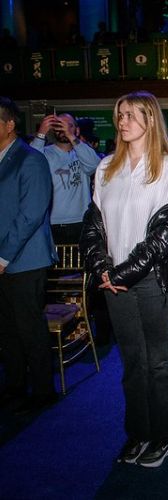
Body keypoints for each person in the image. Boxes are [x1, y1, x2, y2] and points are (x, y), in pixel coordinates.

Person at [79, 91, 168, 467]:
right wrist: (102, 268)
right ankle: (139, 432)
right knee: (131, 361)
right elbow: (93, 226)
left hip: (151, 278)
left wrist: (123, 272)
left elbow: (166, 234)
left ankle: (165, 433)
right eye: (120, 115)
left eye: (131, 114)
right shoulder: (106, 167)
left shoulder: (167, 168)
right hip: (113, 279)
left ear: (150, 119)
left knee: (158, 360)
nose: (123, 121)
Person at [0, 96, 57, 416]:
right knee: (7, 329)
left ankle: (43, 390)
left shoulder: (30, 159)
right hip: (3, 258)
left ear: (10, 125)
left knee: (29, 328)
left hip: (25, 259)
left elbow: (31, 213)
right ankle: (15, 386)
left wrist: (3, 257)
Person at [31, 112, 101, 244]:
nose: (63, 129)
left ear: (77, 130)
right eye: (59, 126)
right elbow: (30, 164)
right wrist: (41, 133)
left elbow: (95, 165)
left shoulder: (82, 152)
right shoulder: (46, 153)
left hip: (81, 221)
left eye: (69, 125)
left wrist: (71, 135)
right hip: (52, 222)